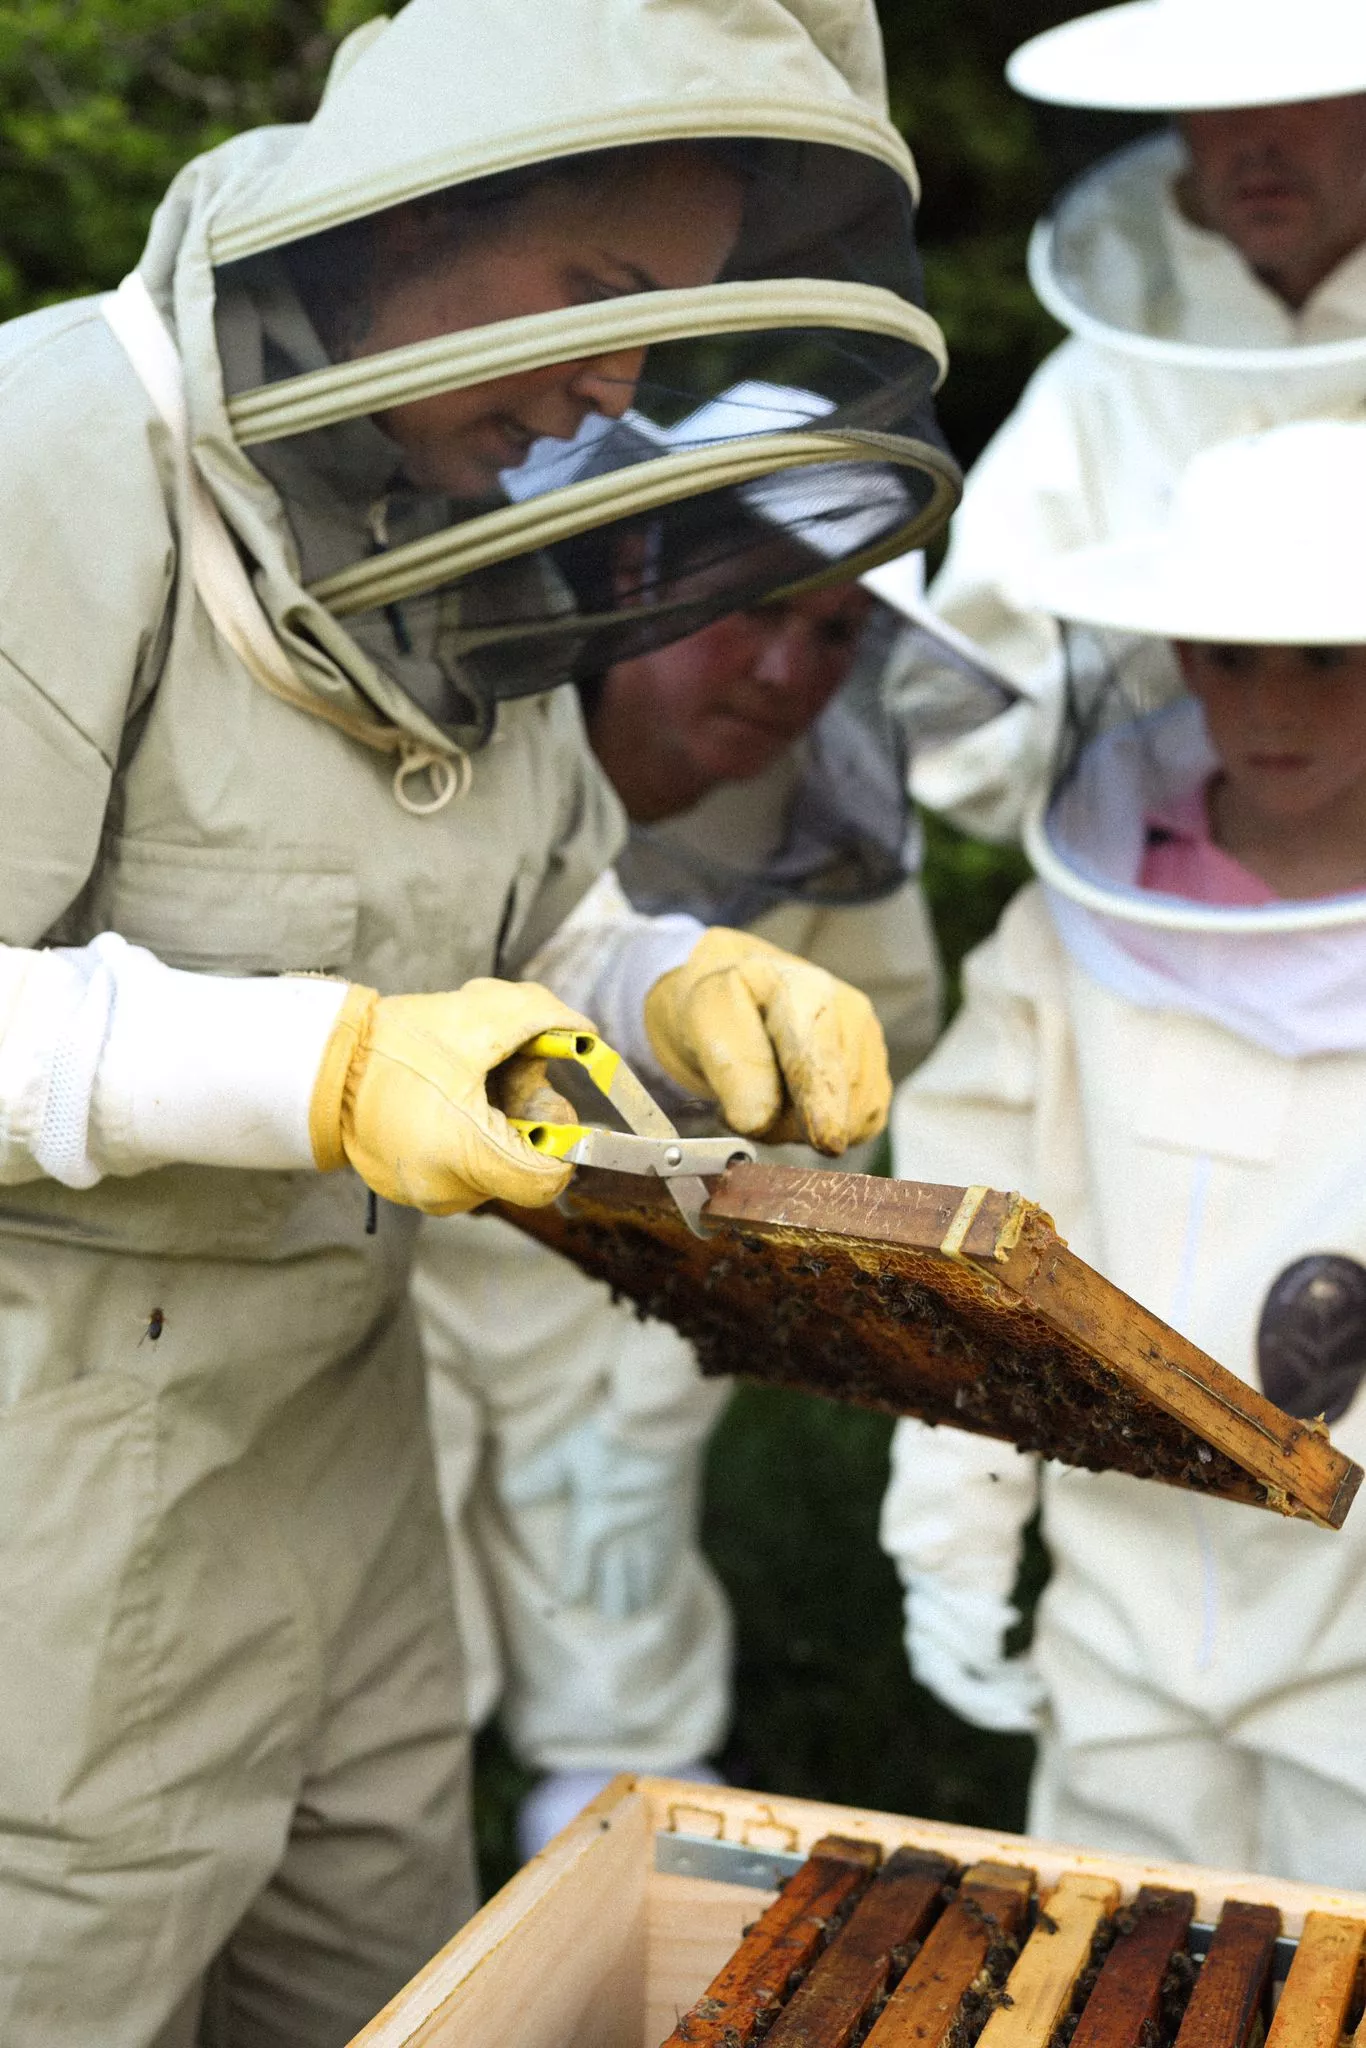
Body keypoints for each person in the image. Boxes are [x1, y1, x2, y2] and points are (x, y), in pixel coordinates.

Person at [0, 2, 959, 2040]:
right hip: (49, 1520)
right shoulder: (56, 451)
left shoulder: (460, 504)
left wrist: (669, 976)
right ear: (408, 209)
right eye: (594, 292)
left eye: (658, 325)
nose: (616, 385)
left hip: (343, 1466)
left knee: (392, 1984)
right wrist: (326, 1065)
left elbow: (536, 914)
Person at [417, 552, 978, 1857]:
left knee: (616, 1636)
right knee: (367, 1630)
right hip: (392, 1242)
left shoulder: (835, 847)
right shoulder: (468, 758)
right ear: (641, 588)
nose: (788, 671)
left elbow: (821, 1168)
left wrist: (655, 1412)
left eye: (836, 633)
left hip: (638, 1281)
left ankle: (619, 1819)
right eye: (757, 609)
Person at [881, 419, 1366, 1888]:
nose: (1268, 705)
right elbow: (966, 1245)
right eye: (1229, 655)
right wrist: (953, 1539)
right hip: (1120, 1607)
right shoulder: (1067, 933)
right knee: (1124, 1953)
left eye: (1322, 660)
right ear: (1173, 656)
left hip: (1355, 1631)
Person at [900, 0, 1366, 839]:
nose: (1256, 137)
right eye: (1217, 97)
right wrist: (1153, 669)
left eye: (1298, 95)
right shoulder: (1095, 392)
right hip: (1165, 885)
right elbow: (958, 737)